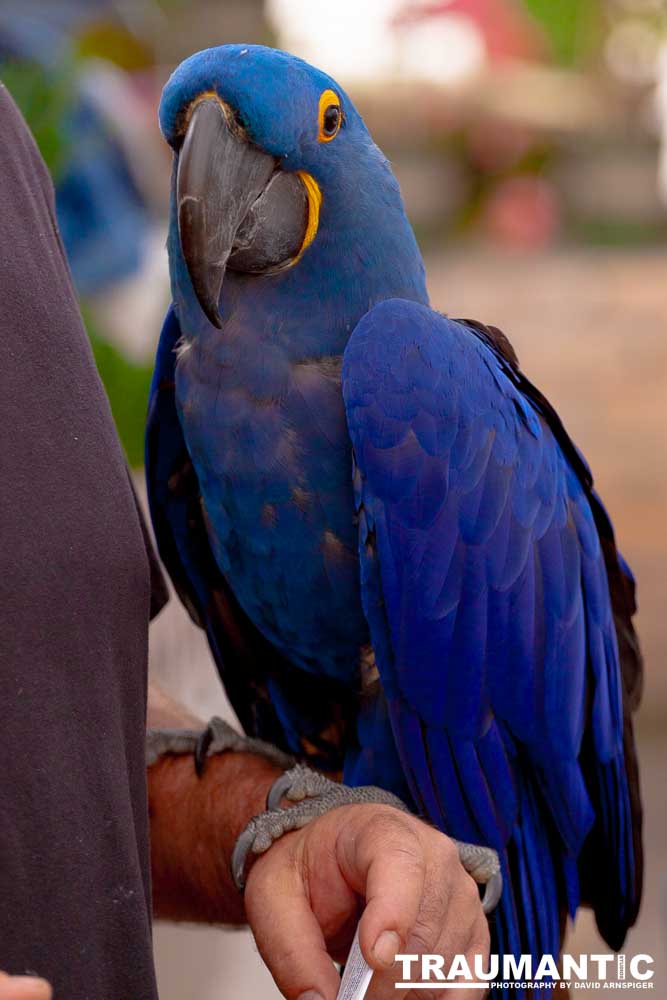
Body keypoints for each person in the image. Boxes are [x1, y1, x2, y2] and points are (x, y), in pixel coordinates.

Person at [0, 82, 489, 1000]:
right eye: (192, 135)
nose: (219, 146)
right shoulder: (187, 384)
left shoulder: (419, 379)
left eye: (324, 124)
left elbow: (57, 732)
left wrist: (284, 819)